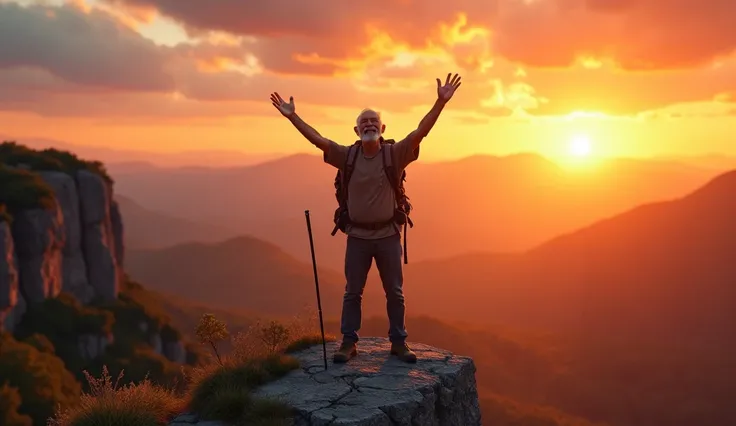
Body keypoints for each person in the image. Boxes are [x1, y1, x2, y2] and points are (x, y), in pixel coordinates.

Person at [270, 72, 462, 363]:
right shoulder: (347, 155)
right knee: (352, 293)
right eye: (364, 122)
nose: (369, 125)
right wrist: (292, 117)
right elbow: (318, 140)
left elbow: (421, 131)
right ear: (356, 129)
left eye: (374, 121)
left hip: (387, 235)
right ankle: (349, 343)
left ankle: (398, 342)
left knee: (395, 294)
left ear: (382, 128)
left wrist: (440, 102)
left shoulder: (394, 154)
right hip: (358, 237)